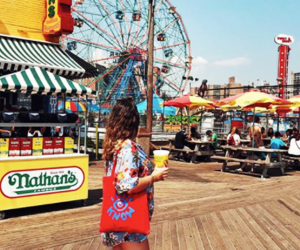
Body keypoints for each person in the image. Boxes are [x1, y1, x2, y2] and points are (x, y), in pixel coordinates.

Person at [100, 97, 168, 249]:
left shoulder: (113, 146)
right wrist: (154, 177)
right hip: (129, 222)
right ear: (134, 121)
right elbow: (128, 185)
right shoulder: (128, 147)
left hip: (115, 216)